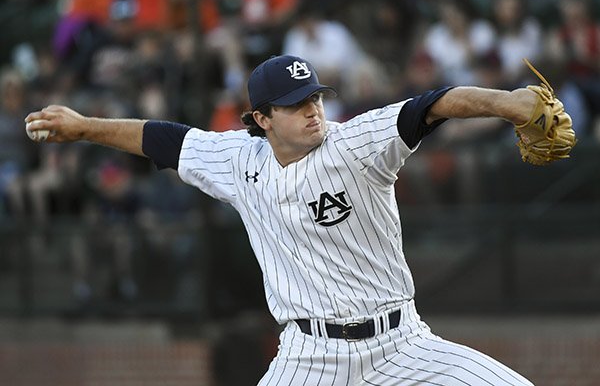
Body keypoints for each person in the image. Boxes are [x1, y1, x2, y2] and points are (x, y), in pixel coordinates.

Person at [25, 54, 537, 385]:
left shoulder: (356, 143)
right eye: (295, 105)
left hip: (402, 343)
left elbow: (434, 105)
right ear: (262, 120)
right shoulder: (238, 159)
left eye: (315, 96)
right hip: (308, 357)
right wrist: (85, 127)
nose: (313, 110)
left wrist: (511, 104)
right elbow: (162, 138)